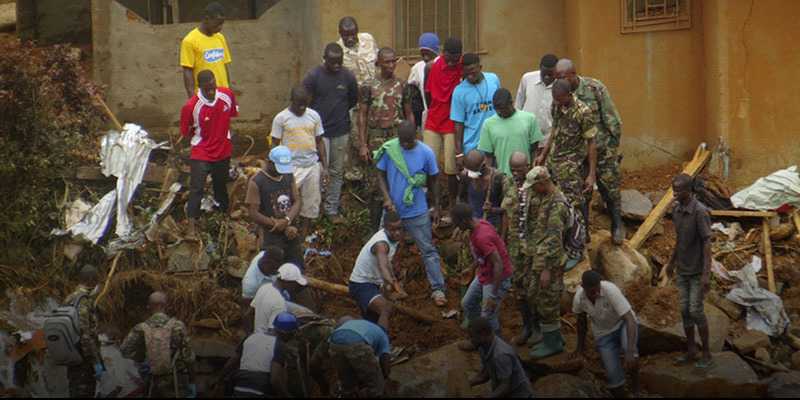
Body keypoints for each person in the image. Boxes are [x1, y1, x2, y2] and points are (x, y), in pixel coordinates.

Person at [376, 121, 448, 307]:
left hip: (418, 212)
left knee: (428, 250)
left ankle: (438, 289)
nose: (405, 145)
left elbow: (434, 180)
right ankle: (384, 287)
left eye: (408, 141)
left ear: (416, 135)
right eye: (402, 141)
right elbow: (380, 173)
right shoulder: (391, 150)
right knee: (385, 250)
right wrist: (386, 197)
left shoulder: (426, 153)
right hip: (393, 213)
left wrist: (437, 208)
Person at [555, 59, 624, 245]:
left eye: (562, 77)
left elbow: (612, 120)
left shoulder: (595, 88)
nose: (558, 81)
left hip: (602, 150)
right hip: (579, 155)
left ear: (573, 74)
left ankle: (616, 226)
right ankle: (584, 229)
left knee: (609, 188)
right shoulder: (560, 94)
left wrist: (612, 149)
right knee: (582, 193)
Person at [358, 47, 414, 238]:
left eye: (393, 62)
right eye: (386, 62)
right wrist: (363, 144)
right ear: (378, 64)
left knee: (401, 180)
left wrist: (412, 137)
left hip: (398, 138)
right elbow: (363, 115)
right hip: (376, 139)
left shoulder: (402, 85)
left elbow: (409, 112)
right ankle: (373, 229)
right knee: (375, 184)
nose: (390, 66)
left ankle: (402, 227)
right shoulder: (368, 85)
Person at [302, 43, 358, 224]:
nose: (336, 65)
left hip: (341, 130)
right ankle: (314, 210)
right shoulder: (313, 76)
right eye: (333, 62)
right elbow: (304, 100)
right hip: (320, 133)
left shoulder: (347, 76)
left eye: (339, 62)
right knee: (318, 171)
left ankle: (331, 209)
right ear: (325, 59)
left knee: (336, 170)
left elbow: (352, 99)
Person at [534, 79, 596, 243]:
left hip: (571, 166)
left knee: (573, 204)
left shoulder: (583, 112)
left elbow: (591, 142)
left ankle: (578, 243)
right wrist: (543, 154)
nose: (555, 102)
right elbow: (554, 129)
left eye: (558, 99)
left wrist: (591, 175)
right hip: (554, 162)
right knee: (553, 202)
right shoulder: (556, 105)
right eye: (553, 98)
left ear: (569, 95)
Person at [180, 69, 238, 242]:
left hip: (223, 149)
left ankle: (223, 221)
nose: (211, 92)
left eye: (213, 87)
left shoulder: (226, 95)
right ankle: (192, 228)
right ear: (200, 87)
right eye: (207, 89)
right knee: (196, 188)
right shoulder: (191, 107)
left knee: (221, 185)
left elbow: (232, 115)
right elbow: (186, 131)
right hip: (202, 150)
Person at [666, 173, 715, 374]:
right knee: (685, 310)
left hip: (696, 270)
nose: (674, 194)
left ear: (688, 191)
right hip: (683, 269)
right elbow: (679, 240)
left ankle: (707, 354)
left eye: (678, 191)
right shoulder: (676, 210)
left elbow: (706, 244)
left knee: (696, 310)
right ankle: (691, 349)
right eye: (673, 190)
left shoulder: (700, 212)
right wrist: (670, 263)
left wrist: (706, 274)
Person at [270, 85, 329, 240]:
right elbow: (275, 143)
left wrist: (325, 167)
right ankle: (287, 228)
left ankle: (304, 233)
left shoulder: (314, 116)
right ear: (291, 101)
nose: (302, 108)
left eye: (305, 104)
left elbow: (320, 142)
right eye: (299, 104)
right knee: (287, 200)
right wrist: (274, 166)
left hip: (311, 165)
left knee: (310, 200)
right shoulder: (281, 118)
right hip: (291, 166)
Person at [453, 203, 514, 350]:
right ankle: (479, 337)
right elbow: (482, 255)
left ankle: (497, 346)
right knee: (468, 303)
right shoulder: (477, 225)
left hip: (497, 276)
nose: (457, 228)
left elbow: (498, 265)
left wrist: (493, 295)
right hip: (485, 273)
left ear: (464, 222)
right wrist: (471, 268)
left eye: (457, 224)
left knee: (488, 314)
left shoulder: (482, 236)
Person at [570, 271, 641, 398]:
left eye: (597, 290)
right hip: (603, 333)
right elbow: (581, 323)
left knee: (631, 354)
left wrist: (629, 351)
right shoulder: (579, 299)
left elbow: (629, 319)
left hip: (622, 324)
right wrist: (580, 347)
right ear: (583, 287)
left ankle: (636, 388)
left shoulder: (611, 291)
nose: (596, 294)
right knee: (612, 375)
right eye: (592, 292)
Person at [525, 166, 570, 359]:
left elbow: (554, 241)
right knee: (538, 297)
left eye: (534, 186)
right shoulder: (546, 199)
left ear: (543, 183)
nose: (532, 190)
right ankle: (555, 338)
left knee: (547, 302)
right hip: (541, 259)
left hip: (550, 265)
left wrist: (546, 269)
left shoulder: (556, 205)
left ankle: (553, 345)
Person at [120, 292, 197, 398]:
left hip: (152, 381)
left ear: (148, 307)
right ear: (167, 306)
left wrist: (144, 361)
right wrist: (192, 382)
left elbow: (125, 350)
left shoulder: (141, 328)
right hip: (175, 381)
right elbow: (188, 357)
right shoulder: (177, 326)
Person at [501, 152, 542, 347]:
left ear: (527, 166)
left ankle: (539, 328)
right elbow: (505, 214)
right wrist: (502, 240)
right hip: (515, 247)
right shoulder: (507, 184)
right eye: (513, 170)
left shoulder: (536, 186)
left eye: (519, 170)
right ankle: (527, 326)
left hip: (533, 247)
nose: (516, 173)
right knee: (519, 287)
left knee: (533, 288)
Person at [245, 146, 304, 269]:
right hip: (270, 237)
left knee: (296, 270)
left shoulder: (288, 176)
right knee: (272, 272)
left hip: (291, 233)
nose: (280, 171)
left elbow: (297, 200)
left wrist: (287, 220)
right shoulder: (257, 182)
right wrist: (278, 225)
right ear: (269, 162)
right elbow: (254, 213)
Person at [423, 37, 463, 210]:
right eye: (449, 59)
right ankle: (435, 201)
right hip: (434, 119)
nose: (452, 63)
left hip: (452, 122)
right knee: (427, 162)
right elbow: (428, 93)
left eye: (455, 59)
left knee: (451, 166)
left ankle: (453, 204)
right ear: (442, 53)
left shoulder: (463, 67)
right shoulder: (431, 67)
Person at [348, 210, 404, 331]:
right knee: (385, 308)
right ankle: (381, 343)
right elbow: (382, 265)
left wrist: (393, 278)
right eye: (393, 230)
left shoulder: (392, 239)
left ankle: (372, 346)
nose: (397, 233)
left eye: (400, 229)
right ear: (385, 228)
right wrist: (391, 283)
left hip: (373, 284)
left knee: (372, 322)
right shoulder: (381, 243)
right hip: (361, 285)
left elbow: (387, 262)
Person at [221, 311, 299, 398]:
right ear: (287, 333)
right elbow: (274, 380)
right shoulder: (279, 346)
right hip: (260, 392)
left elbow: (230, 364)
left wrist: (219, 383)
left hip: (239, 389)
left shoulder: (250, 337)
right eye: (293, 334)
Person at [450, 53, 500, 168]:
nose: (470, 76)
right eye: (466, 73)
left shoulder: (493, 79)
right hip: (473, 147)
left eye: (473, 72)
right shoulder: (459, 91)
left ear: (480, 67)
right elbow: (458, 124)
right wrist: (459, 153)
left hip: (495, 144)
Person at [478, 88, 542, 176]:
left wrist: (532, 172)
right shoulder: (488, 124)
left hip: (525, 176)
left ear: (511, 103)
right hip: (503, 178)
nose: (499, 112)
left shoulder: (529, 119)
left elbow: (534, 150)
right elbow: (489, 156)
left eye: (502, 108)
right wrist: (489, 178)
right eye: (496, 109)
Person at [466, 317, 533, 398]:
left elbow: (505, 386)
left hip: (519, 394)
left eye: (472, 337)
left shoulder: (500, 355)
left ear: (483, 335)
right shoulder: (483, 347)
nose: (471, 340)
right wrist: (468, 383)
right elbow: (486, 373)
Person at [64, 264, 104, 398]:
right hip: (83, 360)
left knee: (74, 391)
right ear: (91, 280)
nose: (97, 284)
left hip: (71, 354)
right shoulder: (83, 300)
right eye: (97, 280)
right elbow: (85, 334)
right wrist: (95, 361)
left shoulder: (69, 298)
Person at [328, 316, 392, 398]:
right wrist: (382, 375)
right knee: (375, 383)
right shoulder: (383, 336)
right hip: (355, 340)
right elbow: (385, 361)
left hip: (334, 341)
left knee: (347, 384)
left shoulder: (363, 324)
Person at [180, 2, 231, 98]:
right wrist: (192, 99)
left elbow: (224, 66)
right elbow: (188, 71)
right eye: (217, 24)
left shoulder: (220, 38)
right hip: (204, 96)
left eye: (222, 24)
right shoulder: (190, 41)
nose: (220, 28)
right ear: (206, 19)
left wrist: (230, 91)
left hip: (222, 95)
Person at [515, 54, 558, 157]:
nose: (547, 77)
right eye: (544, 74)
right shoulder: (527, 79)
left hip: (547, 140)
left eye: (551, 74)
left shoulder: (560, 86)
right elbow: (518, 106)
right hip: (525, 138)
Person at [285, 311, 335, 398]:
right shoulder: (330, 333)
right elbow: (313, 363)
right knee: (300, 391)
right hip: (291, 354)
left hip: (283, 346)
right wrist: (323, 383)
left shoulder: (326, 322)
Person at [250, 263, 308, 333]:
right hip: (265, 340)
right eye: (295, 283)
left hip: (257, 335)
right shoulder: (279, 303)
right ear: (287, 282)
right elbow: (272, 332)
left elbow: (249, 314)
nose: (295, 285)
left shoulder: (264, 288)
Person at [239, 246, 284, 331]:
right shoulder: (250, 283)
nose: (276, 272)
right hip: (262, 304)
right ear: (265, 262)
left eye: (278, 268)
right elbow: (246, 311)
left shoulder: (265, 255)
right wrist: (249, 333)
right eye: (274, 268)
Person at [407, 32, 439, 129]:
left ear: (435, 52)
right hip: (427, 115)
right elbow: (412, 92)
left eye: (429, 54)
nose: (426, 58)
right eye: (423, 54)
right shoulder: (417, 68)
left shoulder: (442, 64)